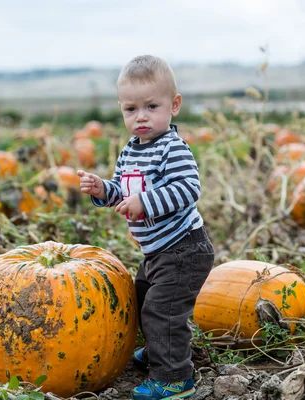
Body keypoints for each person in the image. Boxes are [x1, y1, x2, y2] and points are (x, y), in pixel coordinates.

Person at [77, 55, 214, 400]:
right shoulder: (130, 152)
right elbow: (125, 192)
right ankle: (160, 350)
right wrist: (102, 189)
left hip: (184, 248)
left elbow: (188, 189)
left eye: (151, 106)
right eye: (131, 109)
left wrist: (145, 203)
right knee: (143, 299)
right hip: (157, 251)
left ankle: (174, 378)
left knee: (162, 309)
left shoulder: (172, 148)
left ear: (174, 105)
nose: (141, 116)